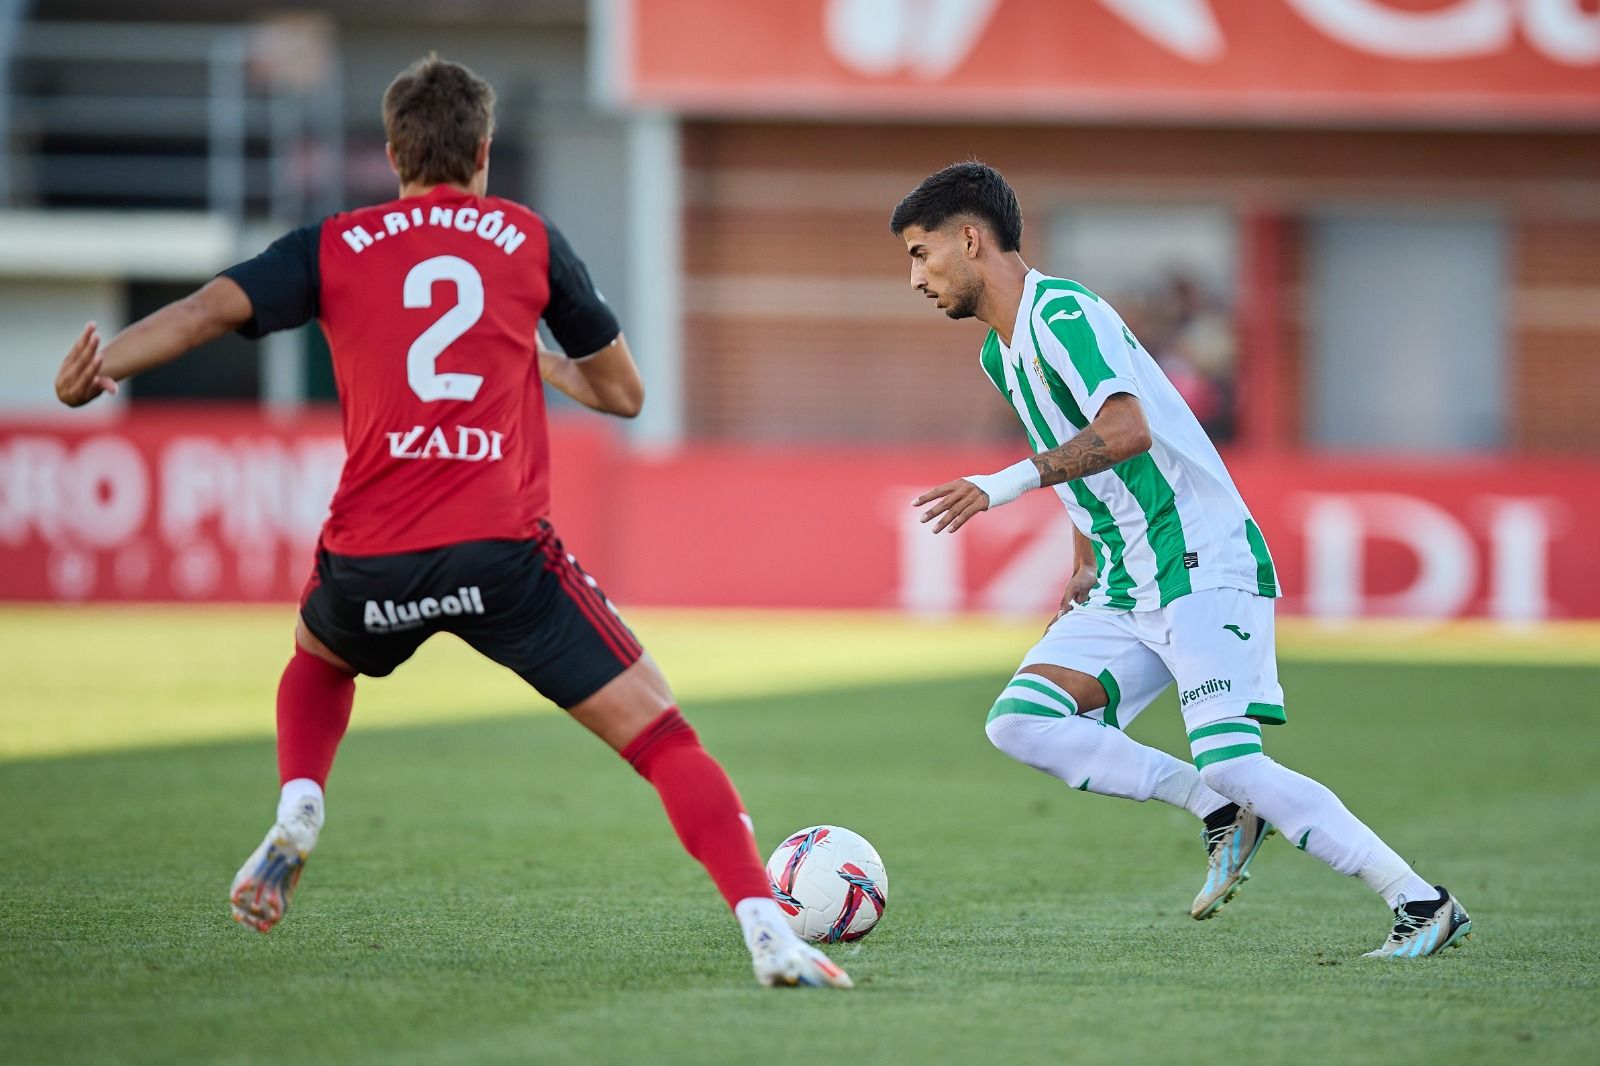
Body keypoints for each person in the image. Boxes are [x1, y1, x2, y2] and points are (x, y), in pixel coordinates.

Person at [52, 55, 850, 990]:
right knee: (665, 737)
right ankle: (766, 929)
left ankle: (301, 805)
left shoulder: (337, 243)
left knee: (318, 658)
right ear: (483, 152)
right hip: (500, 553)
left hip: (370, 557)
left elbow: (204, 312)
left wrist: (105, 367)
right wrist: (536, 362)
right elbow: (625, 394)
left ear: (392, 153)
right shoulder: (525, 238)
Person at [888, 161, 1470, 959]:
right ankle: (1218, 809)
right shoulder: (1002, 352)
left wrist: (1002, 484)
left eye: (921, 254)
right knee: (1023, 722)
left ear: (968, 239)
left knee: (1237, 761)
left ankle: (1421, 902)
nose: (915, 277)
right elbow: (1080, 453)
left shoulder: (1064, 312)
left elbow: (1127, 431)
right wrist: (1083, 555)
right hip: (1128, 577)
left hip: (1198, 556)